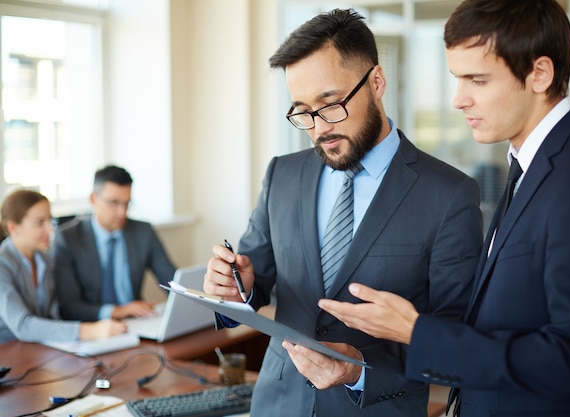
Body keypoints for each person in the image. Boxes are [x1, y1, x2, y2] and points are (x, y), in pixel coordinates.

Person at [319, 1, 570, 416]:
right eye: (457, 79)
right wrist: (364, 363)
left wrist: (417, 331)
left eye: (477, 80)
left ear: (540, 74)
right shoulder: (530, 165)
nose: (459, 100)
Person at [203, 8, 483, 417]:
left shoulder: (449, 194)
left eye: (330, 104)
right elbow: (254, 278)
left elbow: (453, 341)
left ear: (376, 82)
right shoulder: (283, 174)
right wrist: (235, 286)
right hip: (278, 407)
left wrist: (359, 370)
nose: (319, 128)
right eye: (302, 111)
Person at [51, 165, 177, 321]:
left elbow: (172, 282)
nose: (122, 213)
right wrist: (117, 311)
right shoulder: (67, 239)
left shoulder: (143, 231)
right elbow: (68, 307)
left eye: (126, 204)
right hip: (91, 327)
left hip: (135, 322)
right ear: (93, 199)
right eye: (114, 203)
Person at [0, 189, 126, 344]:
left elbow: (54, 313)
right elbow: (23, 325)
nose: (50, 229)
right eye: (40, 222)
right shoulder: (3, 264)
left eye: (49, 220)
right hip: (9, 351)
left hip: (40, 347)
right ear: (13, 227)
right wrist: (89, 331)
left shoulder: (43, 259)